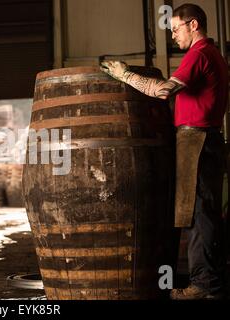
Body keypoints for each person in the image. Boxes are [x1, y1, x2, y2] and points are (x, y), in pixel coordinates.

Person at [101, 3, 228, 299]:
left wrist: (126, 76)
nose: (173, 36)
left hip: (198, 142)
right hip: (203, 140)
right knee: (203, 212)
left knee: (200, 215)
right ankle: (211, 281)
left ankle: (204, 286)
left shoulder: (199, 54)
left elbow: (163, 91)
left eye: (175, 29)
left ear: (193, 25)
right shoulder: (213, 55)